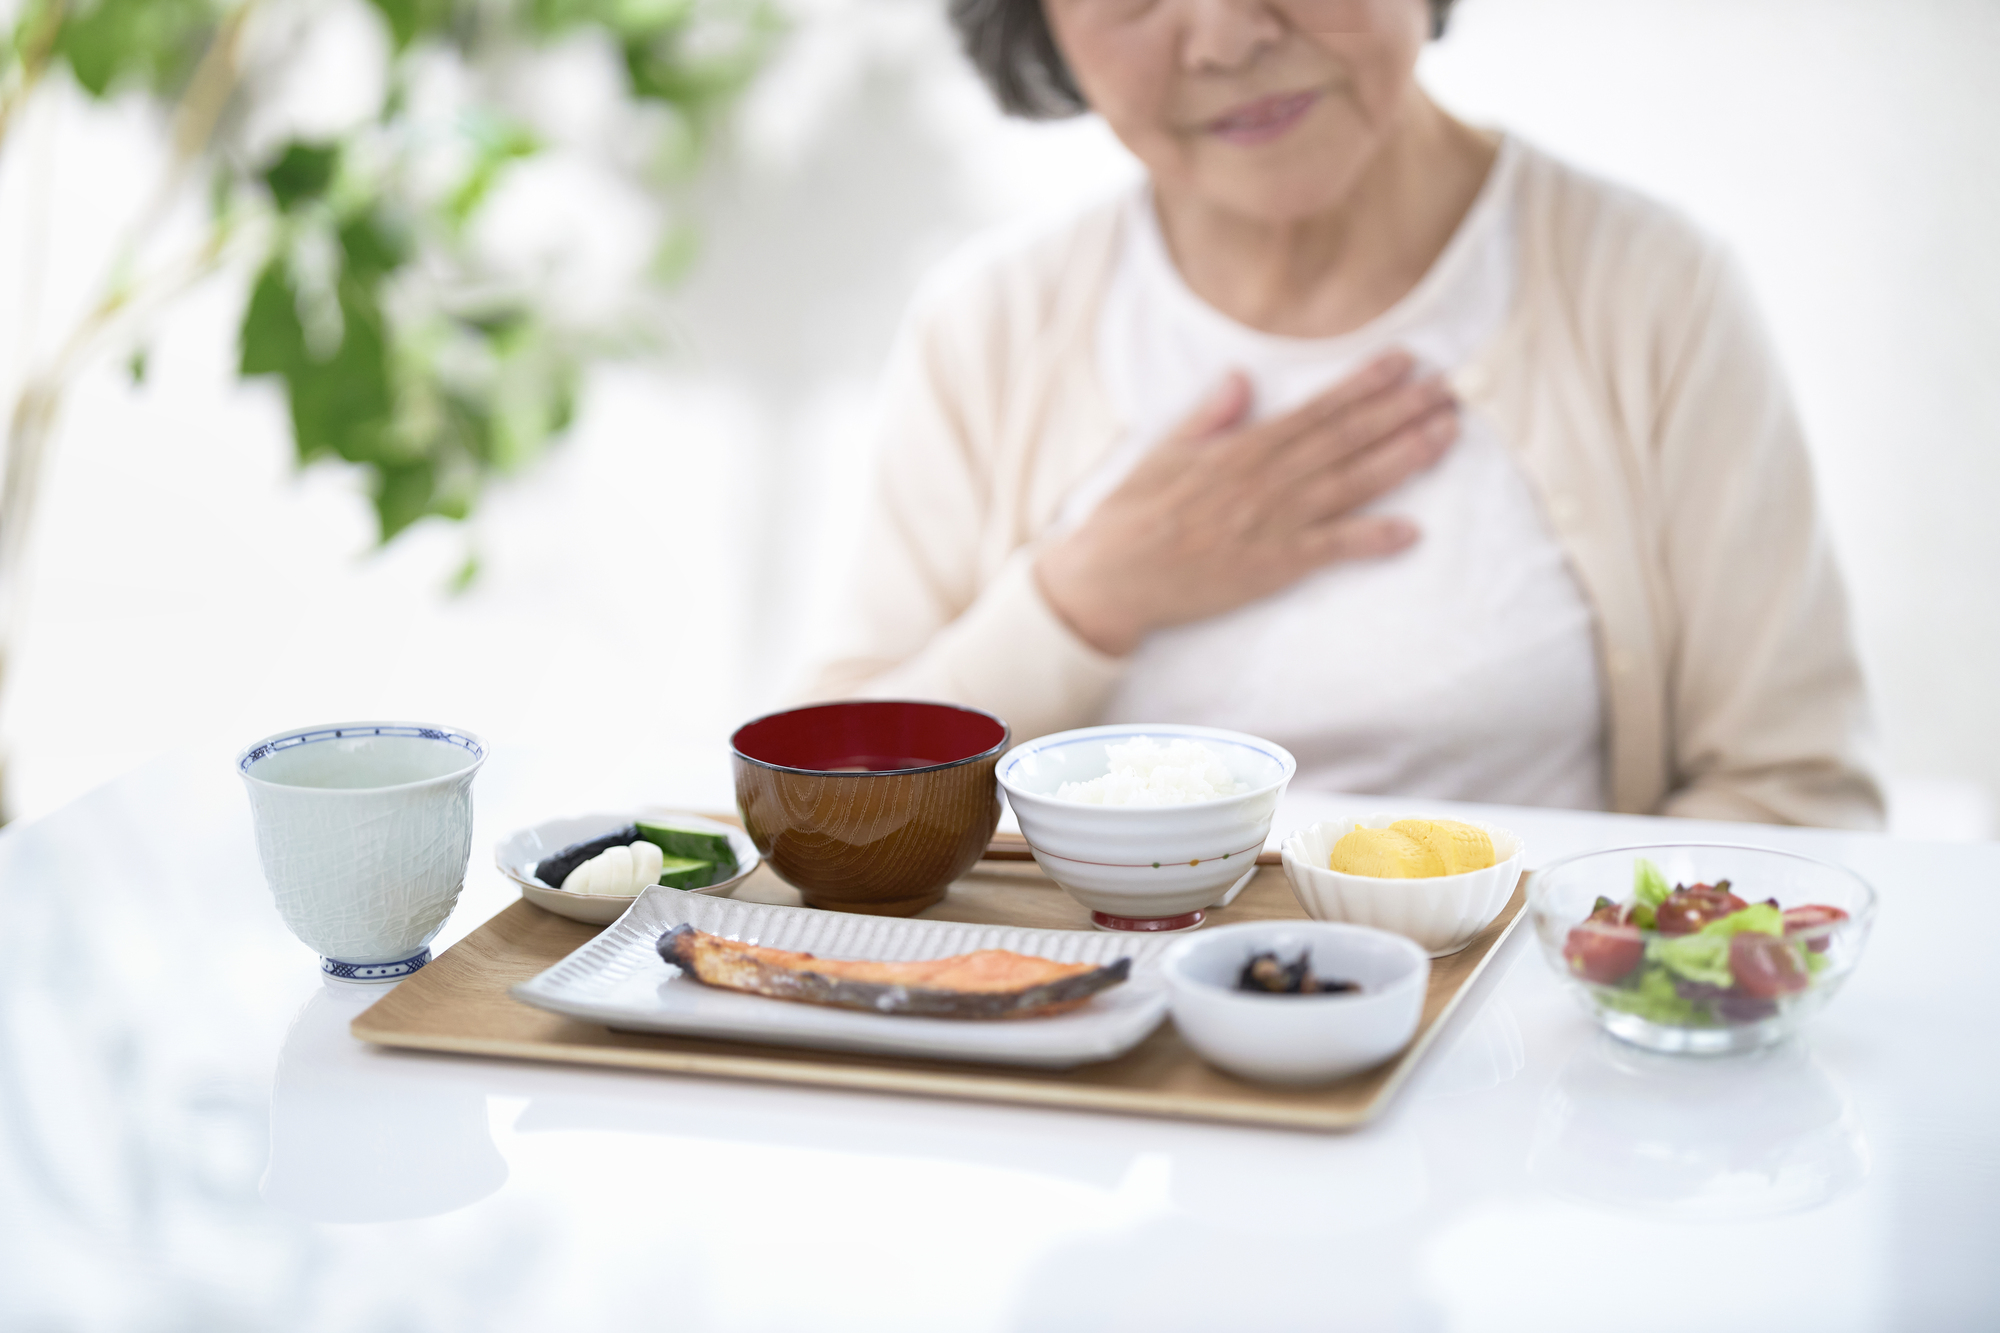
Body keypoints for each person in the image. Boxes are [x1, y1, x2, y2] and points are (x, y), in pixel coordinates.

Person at [801, 0, 1884, 828]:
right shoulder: (990, 321)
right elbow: (831, 796)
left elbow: (1792, 795)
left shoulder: (1648, 289)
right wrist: (1079, 596)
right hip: (1090, 1058)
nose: (1224, 37)